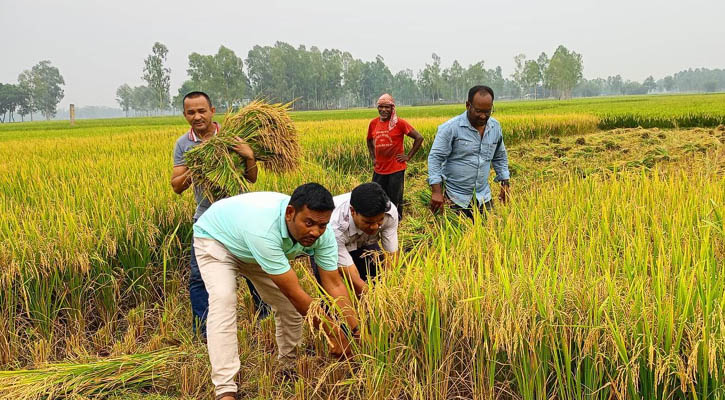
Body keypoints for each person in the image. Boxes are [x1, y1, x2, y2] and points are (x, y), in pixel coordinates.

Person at [193, 183, 358, 400]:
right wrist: (333, 333)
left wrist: (355, 330)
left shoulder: (323, 236)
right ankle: (225, 388)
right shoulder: (264, 229)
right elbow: (295, 293)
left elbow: (335, 284)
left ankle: (288, 365)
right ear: (290, 213)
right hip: (217, 240)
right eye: (308, 223)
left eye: (322, 225)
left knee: (288, 308)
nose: (315, 232)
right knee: (224, 302)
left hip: (254, 249)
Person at [170, 91, 269, 337]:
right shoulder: (184, 144)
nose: (197, 116)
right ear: (184, 115)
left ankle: (265, 320)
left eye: (201, 110)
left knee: (255, 269)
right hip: (206, 219)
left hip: (239, 216)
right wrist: (198, 165)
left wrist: (249, 156)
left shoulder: (232, 136)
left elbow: (252, 177)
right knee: (198, 275)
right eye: (191, 112)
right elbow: (177, 186)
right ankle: (204, 330)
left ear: (212, 111)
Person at [427, 85, 511, 219]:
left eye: (488, 111)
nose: (483, 116)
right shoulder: (451, 128)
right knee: (455, 237)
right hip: (455, 198)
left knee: (489, 235)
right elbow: (435, 158)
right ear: (468, 105)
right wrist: (436, 191)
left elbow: (500, 156)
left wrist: (505, 182)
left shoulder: (495, 127)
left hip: (483, 196)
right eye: (478, 111)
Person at [311, 182, 399, 296]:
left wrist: (389, 291)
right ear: (353, 211)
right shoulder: (333, 225)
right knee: (331, 292)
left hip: (364, 242)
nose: (375, 227)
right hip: (329, 247)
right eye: (368, 222)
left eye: (379, 221)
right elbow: (352, 277)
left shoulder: (389, 213)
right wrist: (376, 299)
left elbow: (391, 256)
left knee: (376, 275)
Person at [367, 93, 423, 220]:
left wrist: (408, 156)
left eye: (387, 107)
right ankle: (381, 219)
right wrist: (373, 157)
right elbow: (369, 141)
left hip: (396, 168)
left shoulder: (399, 123)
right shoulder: (373, 123)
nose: (384, 110)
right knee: (377, 195)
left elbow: (419, 138)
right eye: (381, 107)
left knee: (395, 197)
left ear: (392, 108)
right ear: (378, 108)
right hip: (379, 168)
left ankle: (397, 221)